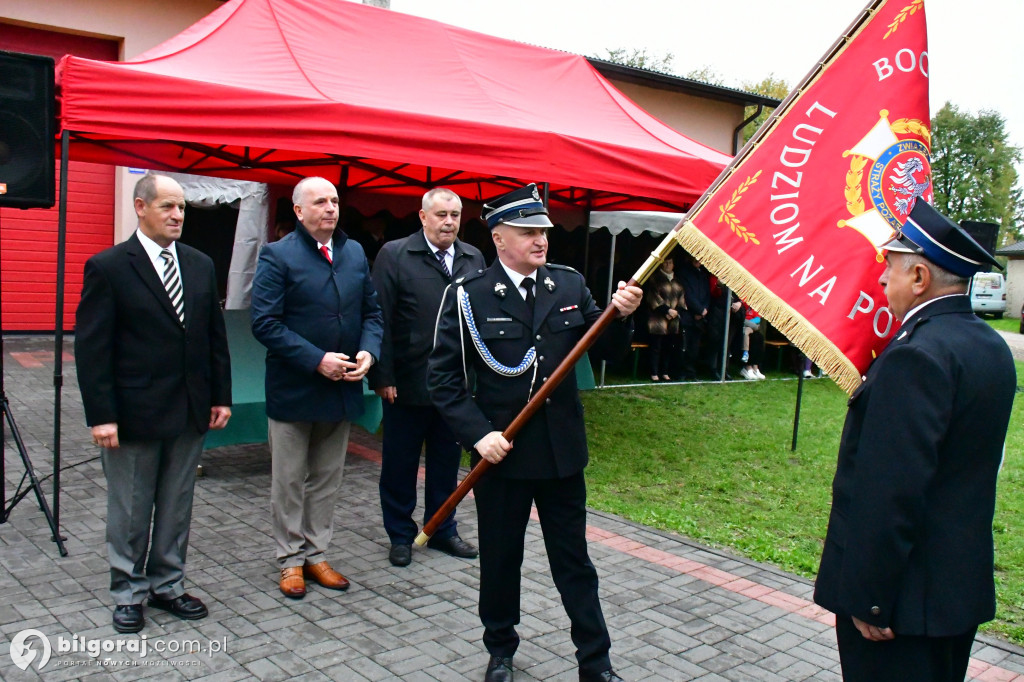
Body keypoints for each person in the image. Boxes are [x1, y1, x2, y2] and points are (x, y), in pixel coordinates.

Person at [427, 184, 641, 682]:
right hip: (503, 454)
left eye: (543, 231)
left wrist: (622, 317)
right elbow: (443, 379)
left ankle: (596, 661)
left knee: (575, 562)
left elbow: (608, 352)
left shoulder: (567, 286)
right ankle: (500, 649)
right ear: (499, 238)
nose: (541, 240)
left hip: (562, 454)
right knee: (501, 559)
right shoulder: (467, 296)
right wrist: (478, 435)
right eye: (528, 232)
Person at [813, 201, 1016, 682]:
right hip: (952, 594)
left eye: (890, 267)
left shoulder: (917, 356)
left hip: (903, 605)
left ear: (920, 277)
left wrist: (870, 598)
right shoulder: (989, 345)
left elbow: (891, 490)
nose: (882, 280)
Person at [75, 173, 232, 634]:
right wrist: (101, 415)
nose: (179, 215)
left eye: (182, 207)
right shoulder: (108, 267)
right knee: (131, 507)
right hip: (133, 413)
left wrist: (221, 395)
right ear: (141, 207)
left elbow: (212, 338)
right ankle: (128, 591)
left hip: (189, 409)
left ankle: (168, 585)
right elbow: (93, 348)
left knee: (177, 503)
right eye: (168, 206)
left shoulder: (200, 264)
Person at [251, 176, 383, 599]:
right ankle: (289, 559)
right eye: (320, 202)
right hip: (295, 387)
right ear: (299, 211)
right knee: (289, 479)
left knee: (327, 477)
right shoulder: (277, 255)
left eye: (335, 201)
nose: (330, 208)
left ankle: (316, 552)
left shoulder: (354, 252)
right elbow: (265, 323)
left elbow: (372, 313)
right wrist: (316, 359)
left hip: (341, 387)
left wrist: (368, 352)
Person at [369, 187, 486, 567]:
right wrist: (382, 375)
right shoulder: (396, 254)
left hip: (455, 386)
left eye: (455, 215)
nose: (449, 222)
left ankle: (442, 529)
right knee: (400, 464)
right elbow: (379, 317)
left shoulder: (473, 258)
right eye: (441, 214)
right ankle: (401, 535)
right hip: (405, 381)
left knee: (446, 463)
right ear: (422, 217)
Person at [643, 256, 685, 381]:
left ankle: (665, 372)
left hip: (673, 320)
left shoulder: (678, 281)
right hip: (657, 319)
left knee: (668, 347)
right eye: (665, 262)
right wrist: (666, 310)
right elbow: (653, 298)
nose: (668, 264)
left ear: (673, 264)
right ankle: (654, 372)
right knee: (656, 347)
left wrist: (675, 312)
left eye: (670, 262)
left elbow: (682, 300)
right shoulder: (655, 279)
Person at [676, 255, 710, 380]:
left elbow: (707, 294)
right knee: (684, 346)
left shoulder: (703, 274)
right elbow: (687, 294)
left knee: (694, 347)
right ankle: (681, 373)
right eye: (695, 258)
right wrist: (699, 310)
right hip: (687, 315)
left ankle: (691, 372)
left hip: (700, 317)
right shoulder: (684, 272)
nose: (698, 261)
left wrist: (704, 310)